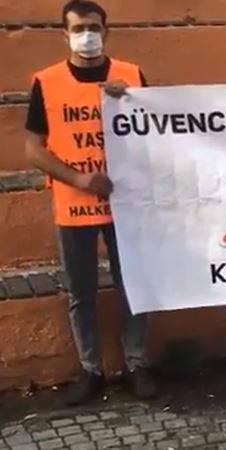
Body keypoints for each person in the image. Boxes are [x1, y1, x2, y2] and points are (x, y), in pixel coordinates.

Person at [25, 0, 157, 405]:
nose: (87, 36)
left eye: (94, 27)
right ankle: (91, 371)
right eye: (79, 28)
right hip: (74, 203)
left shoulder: (130, 75)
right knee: (81, 291)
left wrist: (130, 100)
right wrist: (81, 179)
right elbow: (34, 149)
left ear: (106, 31)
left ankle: (136, 364)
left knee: (133, 284)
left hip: (125, 202)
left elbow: (155, 129)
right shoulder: (46, 82)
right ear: (65, 34)